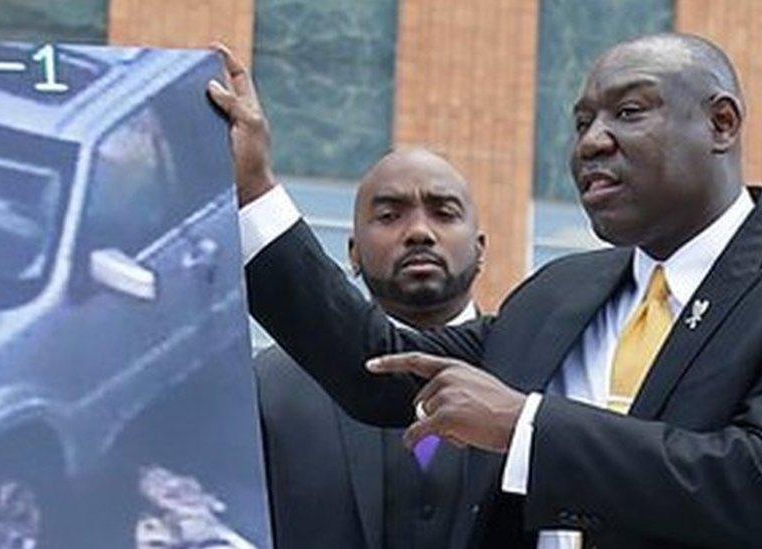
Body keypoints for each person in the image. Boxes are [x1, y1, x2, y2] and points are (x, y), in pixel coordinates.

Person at [209, 33, 762, 548]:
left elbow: (747, 480)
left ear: (720, 123)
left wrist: (528, 428)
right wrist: (253, 189)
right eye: (582, 123)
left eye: (629, 112)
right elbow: (377, 368)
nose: (593, 141)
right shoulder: (561, 293)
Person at [255, 147, 485, 549]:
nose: (419, 232)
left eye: (444, 213)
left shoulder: (535, 369)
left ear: (480, 249)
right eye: (389, 216)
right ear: (354, 253)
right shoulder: (270, 384)